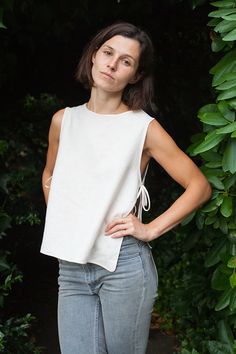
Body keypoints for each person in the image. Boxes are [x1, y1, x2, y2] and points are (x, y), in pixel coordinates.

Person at [40, 22, 211, 354]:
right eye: (107, 53)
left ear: (134, 76)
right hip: (72, 268)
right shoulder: (63, 120)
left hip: (124, 266)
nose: (112, 64)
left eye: (126, 61)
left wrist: (149, 229)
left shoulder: (143, 128)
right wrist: (67, 219)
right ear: (93, 56)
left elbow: (199, 187)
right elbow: (49, 175)